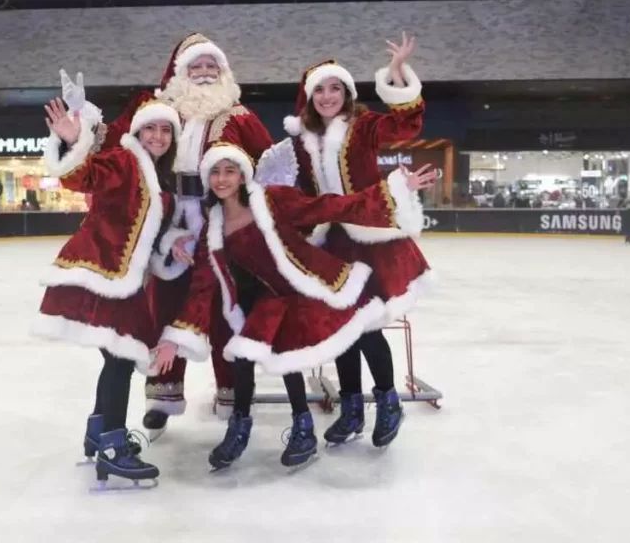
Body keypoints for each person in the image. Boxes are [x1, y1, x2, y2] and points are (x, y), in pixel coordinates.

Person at [152, 143, 437, 469]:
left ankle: (383, 405)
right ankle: (246, 428)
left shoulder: (272, 199)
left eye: (229, 170)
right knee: (246, 354)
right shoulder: (212, 229)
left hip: (317, 283)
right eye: (215, 172)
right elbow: (202, 288)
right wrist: (174, 338)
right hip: (275, 297)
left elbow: (330, 207)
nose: (221, 179)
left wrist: (395, 190)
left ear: (243, 175)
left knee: (364, 330)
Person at [79, 33, 275, 437]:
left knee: (226, 311)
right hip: (168, 224)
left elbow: (270, 167)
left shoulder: (240, 117)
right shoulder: (159, 112)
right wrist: (83, 122)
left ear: (224, 72)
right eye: (195, 67)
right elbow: (115, 143)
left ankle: (233, 396)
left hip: (220, 223)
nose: (204, 74)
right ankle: (163, 396)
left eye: (211, 67)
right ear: (179, 72)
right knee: (164, 306)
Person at [254, 32, 430, 447]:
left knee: (367, 326)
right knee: (340, 327)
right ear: (309, 97)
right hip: (330, 243)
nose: (328, 96)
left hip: (371, 239)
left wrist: (398, 76)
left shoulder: (364, 126)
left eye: (336, 88)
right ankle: (352, 406)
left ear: (348, 94)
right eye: (320, 89)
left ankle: (387, 401)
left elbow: (405, 124)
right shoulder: (299, 143)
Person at [31, 86, 186, 488]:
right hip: (99, 272)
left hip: (124, 279)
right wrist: (72, 140)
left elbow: (153, 237)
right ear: (137, 132)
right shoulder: (124, 160)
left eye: (165, 131)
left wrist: (175, 244)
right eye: (150, 128)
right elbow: (83, 176)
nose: (157, 136)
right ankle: (113, 447)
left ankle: (100, 432)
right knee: (120, 359)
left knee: (116, 360)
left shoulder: (160, 178)